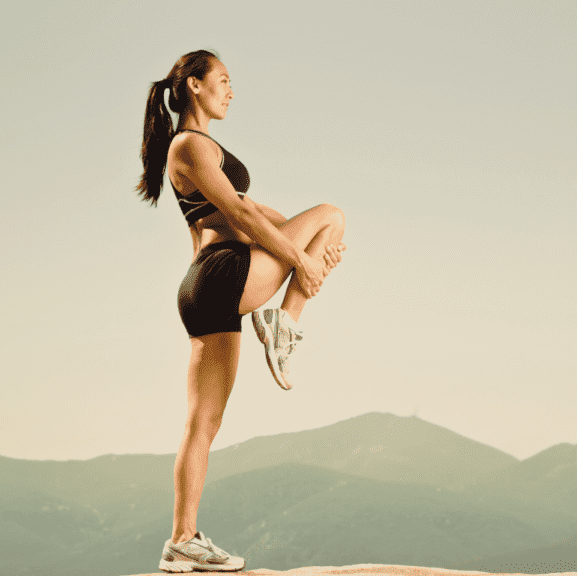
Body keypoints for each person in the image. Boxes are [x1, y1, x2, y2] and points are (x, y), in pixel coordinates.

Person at [134, 49, 347, 572]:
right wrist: (303, 256)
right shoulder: (188, 144)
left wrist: (312, 255)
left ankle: (182, 539)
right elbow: (238, 211)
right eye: (224, 81)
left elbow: (256, 211)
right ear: (194, 88)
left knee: (203, 422)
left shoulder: (198, 149)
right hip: (223, 272)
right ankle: (284, 323)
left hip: (208, 286)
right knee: (333, 215)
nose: (231, 91)